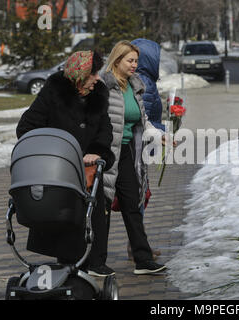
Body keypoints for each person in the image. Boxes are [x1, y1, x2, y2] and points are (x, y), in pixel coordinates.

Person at [16, 50, 116, 277]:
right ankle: (70, 267)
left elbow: (105, 129)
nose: (97, 79)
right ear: (80, 75)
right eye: (93, 74)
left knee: (94, 215)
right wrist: (55, 151)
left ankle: (95, 263)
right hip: (60, 170)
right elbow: (27, 128)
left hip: (90, 170)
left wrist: (97, 151)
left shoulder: (98, 94)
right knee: (67, 218)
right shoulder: (53, 92)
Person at [100, 40, 166, 275]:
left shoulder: (134, 85)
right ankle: (96, 262)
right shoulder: (104, 86)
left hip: (127, 150)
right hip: (106, 153)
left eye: (137, 61)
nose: (134, 65)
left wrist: (158, 135)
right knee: (102, 206)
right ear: (116, 61)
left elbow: (142, 119)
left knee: (132, 203)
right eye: (130, 60)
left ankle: (143, 259)